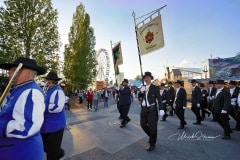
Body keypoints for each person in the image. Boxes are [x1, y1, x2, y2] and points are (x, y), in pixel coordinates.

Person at [0, 57, 46, 160]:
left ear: (25, 72)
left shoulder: (31, 92)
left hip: (20, 153)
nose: (9, 73)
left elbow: (27, 127)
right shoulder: (20, 89)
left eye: (12, 70)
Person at [41, 71, 66, 159]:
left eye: (49, 82)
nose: (47, 83)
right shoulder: (48, 89)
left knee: (51, 154)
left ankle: (57, 152)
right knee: (45, 147)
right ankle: (59, 152)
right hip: (47, 125)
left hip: (55, 126)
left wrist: (42, 107)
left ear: (54, 82)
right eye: (47, 81)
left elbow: (57, 107)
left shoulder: (58, 91)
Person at [139, 71, 164, 151]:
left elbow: (159, 99)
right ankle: (151, 135)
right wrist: (141, 92)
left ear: (151, 79)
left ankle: (152, 144)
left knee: (153, 128)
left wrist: (161, 109)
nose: (146, 79)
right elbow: (139, 97)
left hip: (152, 110)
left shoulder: (155, 88)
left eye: (148, 78)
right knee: (143, 124)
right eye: (145, 78)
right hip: (143, 109)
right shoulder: (143, 87)